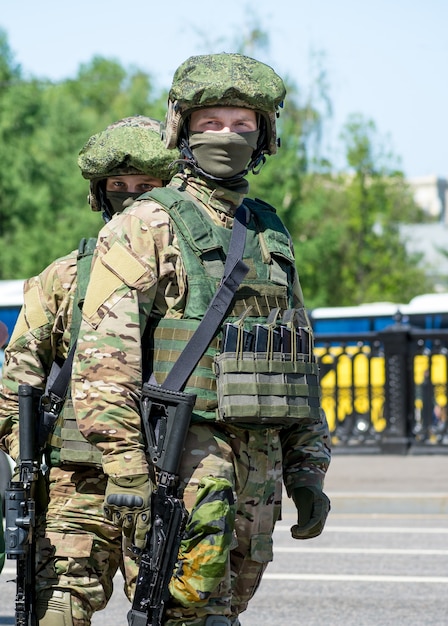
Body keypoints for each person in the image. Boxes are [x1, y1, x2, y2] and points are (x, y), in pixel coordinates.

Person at [72, 53, 331, 626]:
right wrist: (130, 473)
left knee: (226, 615)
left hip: (258, 464)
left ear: (264, 134)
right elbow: (101, 367)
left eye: (243, 125)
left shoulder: (269, 229)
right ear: (182, 128)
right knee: (179, 611)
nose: (227, 137)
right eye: (210, 123)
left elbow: (296, 356)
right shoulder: (146, 223)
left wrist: (307, 470)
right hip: (184, 462)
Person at [0, 116, 179, 625]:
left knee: (174, 608)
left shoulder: (194, 278)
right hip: (73, 482)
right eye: (117, 188)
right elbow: (15, 390)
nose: (130, 199)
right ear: (99, 197)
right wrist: (28, 463)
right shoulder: (61, 276)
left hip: (170, 478)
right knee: (61, 602)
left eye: (146, 188)